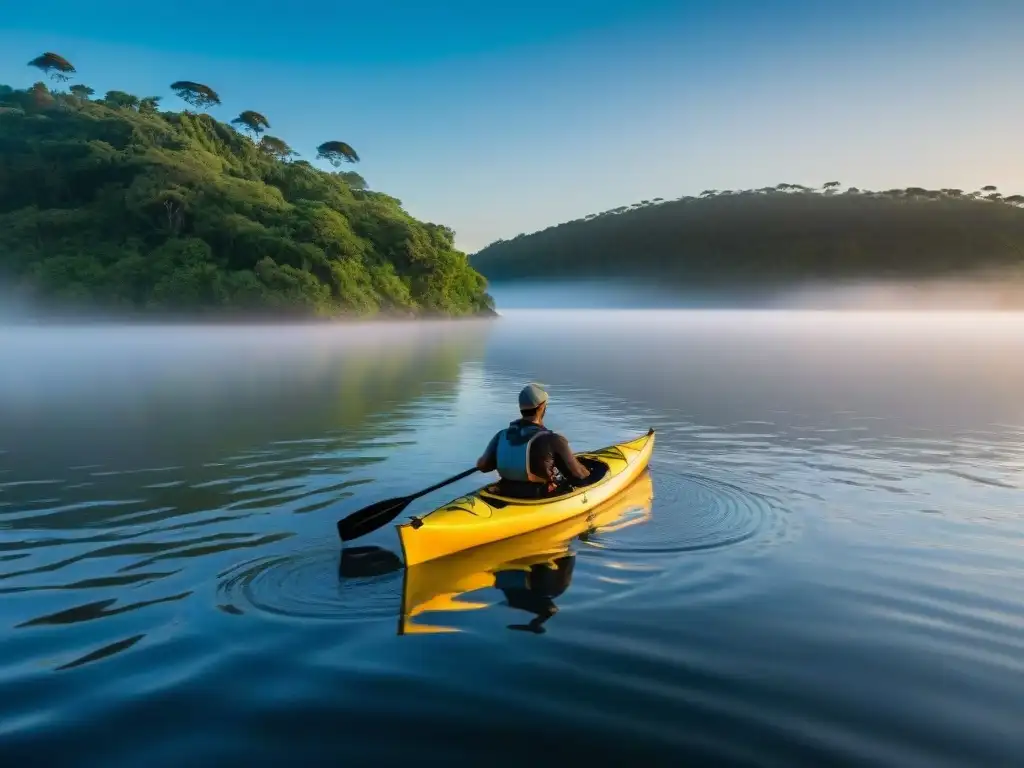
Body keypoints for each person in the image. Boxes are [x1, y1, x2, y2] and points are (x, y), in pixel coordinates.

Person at [475, 383, 591, 498]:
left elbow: (483, 466)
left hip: (505, 491)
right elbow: (579, 474)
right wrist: (588, 473)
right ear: (542, 407)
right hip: (538, 497)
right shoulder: (554, 440)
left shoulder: (501, 435)